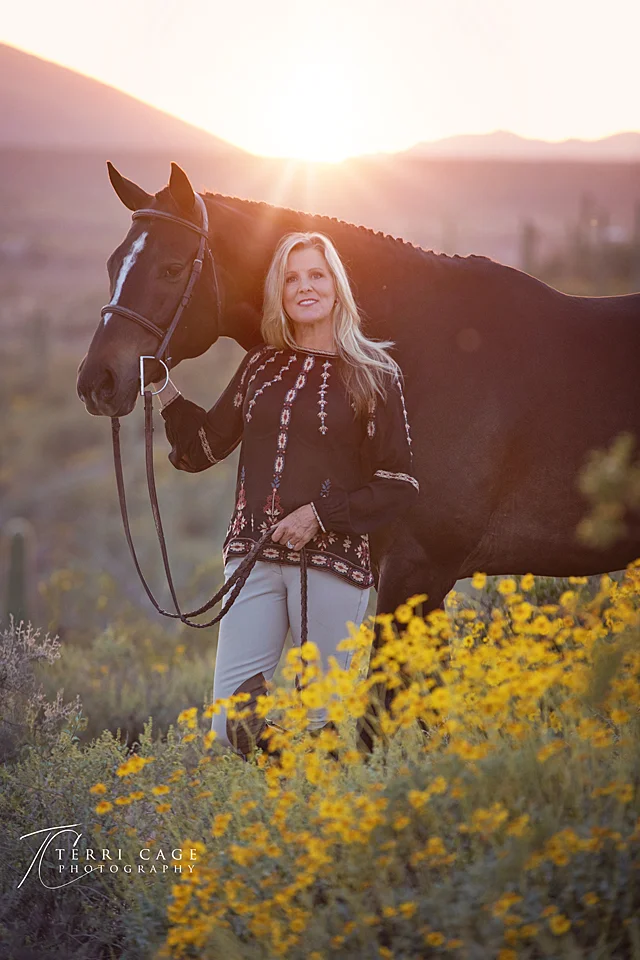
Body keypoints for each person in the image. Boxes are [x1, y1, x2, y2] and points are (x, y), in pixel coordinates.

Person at [153, 231, 419, 757]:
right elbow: (201, 449)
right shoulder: (259, 366)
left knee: (323, 722)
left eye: (316, 274)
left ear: (337, 286)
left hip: (332, 565)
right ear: (279, 293)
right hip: (250, 559)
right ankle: (291, 788)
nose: (305, 287)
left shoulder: (374, 373)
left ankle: (317, 822)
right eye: (291, 278)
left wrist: (320, 514)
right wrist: (163, 390)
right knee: (232, 725)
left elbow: (398, 485)